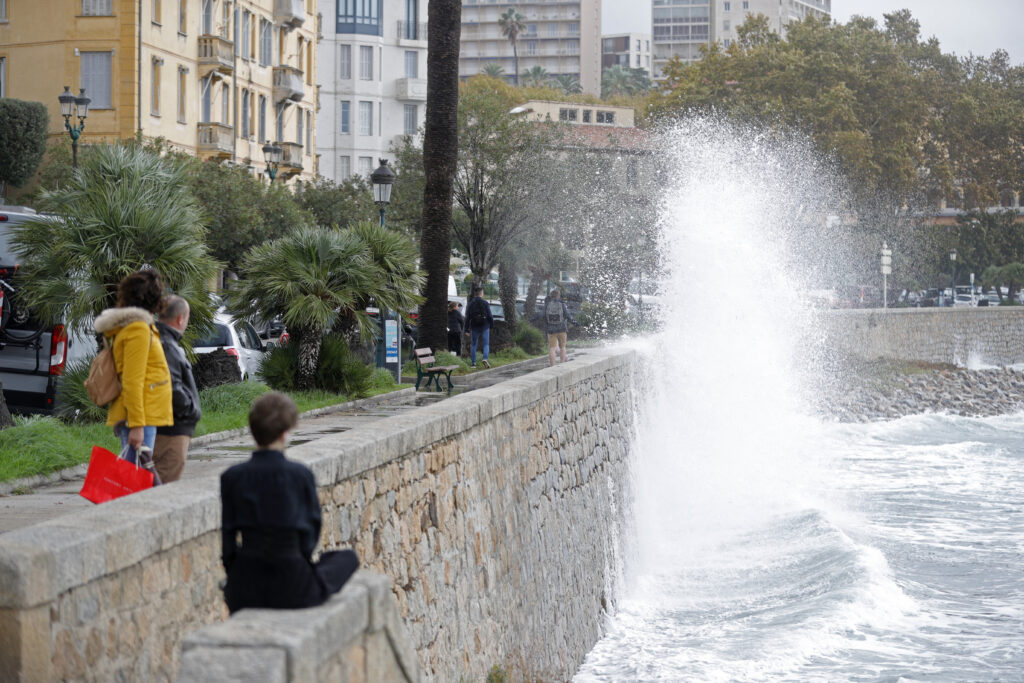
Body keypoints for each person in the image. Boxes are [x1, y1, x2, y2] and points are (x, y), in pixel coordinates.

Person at [220, 392, 360, 614]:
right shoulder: (300, 475)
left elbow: (228, 541)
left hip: (245, 589)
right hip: (293, 587)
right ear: (285, 434)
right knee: (348, 558)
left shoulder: (231, 477)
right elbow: (310, 533)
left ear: (254, 432)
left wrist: (238, 574)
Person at [94, 270, 173, 466]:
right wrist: (136, 425)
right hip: (140, 418)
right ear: (152, 298)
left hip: (141, 416)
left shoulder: (133, 327)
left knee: (133, 482)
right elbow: (132, 380)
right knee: (133, 485)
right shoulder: (138, 329)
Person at [153, 295, 201, 483]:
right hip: (171, 431)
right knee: (164, 487)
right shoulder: (166, 345)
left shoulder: (160, 340)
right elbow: (170, 386)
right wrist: (190, 410)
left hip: (168, 427)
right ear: (180, 318)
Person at [544, 289, 575, 367]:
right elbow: (567, 315)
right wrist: (573, 322)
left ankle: (552, 365)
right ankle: (562, 364)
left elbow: (543, 316)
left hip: (551, 329)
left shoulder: (547, 304)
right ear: (558, 296)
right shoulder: (562, 303)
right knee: (562, 347)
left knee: (552, 348)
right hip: (561, 328)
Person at [465, 285, 493, 368]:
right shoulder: (485, 303)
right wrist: (491, 325)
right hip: (485, 326)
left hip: (474, 327)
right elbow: (490, 315)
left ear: (475, 294)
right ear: (481, 293)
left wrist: (466, 329)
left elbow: (468, 317)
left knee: (473, 345)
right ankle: (485, 358)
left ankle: (473, 363)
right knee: (486, 344)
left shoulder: (471, 304)